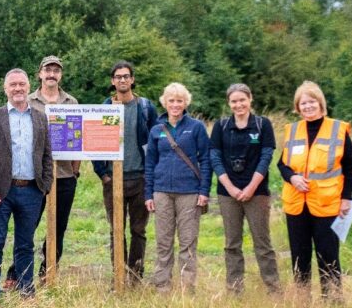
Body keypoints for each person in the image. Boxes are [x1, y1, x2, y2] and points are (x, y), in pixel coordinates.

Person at [0, 68, 53, 308]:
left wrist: (45, 186)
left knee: (25, 244)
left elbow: (47, 155)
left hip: (32, 190)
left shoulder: (40, 117)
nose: (18, 88)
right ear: (5, 88)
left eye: (22, 84)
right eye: (13, 85)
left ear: (29, 86)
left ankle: (26, 290)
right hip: (1, 192)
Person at [4, 56, 80, 289]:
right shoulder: (27, 100)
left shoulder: (72, 102)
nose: (51, 74)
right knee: (29, 225)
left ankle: (48, 271)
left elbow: (78, 140)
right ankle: (15, 273)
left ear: (60, 75)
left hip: (64, 175)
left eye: (56, 70)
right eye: (48, 70)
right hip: (34, 176)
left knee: (59, 227)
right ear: (39, 74)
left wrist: (75, 171)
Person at [278, 81, 352, 301]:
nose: (308, 106)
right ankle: (302, 299)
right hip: (296, 204)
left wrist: (346, 198)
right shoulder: (292, 130)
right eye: (303, 103)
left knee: (327, 253)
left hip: (327, 203)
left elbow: (350, 166)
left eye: (312, 102)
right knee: (299, 254)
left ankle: (332, 300)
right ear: (297, 107)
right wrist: (292, 177)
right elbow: (282, 164)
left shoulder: (338, 129)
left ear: (320, 103)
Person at [210, 83, 281, 295]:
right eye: (234, 101)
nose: (238, 104)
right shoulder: (221, 126)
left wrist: (251, 187)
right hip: (227, 193)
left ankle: (274, 289)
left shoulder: (262, 124)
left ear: (250, 99)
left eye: (242, 100)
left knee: (263, 243)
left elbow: (266, 156)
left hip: (257, 192)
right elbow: (215, 157)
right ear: (228, 103)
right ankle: (234, 290)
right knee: (232, 243)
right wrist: (230, 187)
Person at [92, 60, 158, 284]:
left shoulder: (145, 108)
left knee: (138, 230)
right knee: (116, 231)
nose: (122, 80)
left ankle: (135, 276)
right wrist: (103, 175)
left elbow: (155, 142)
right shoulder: (104, 109)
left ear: (132, 79)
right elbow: (94, 143)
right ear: (112, 81)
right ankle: (118, 276)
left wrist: (151, 175)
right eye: (118, 76)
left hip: (139, 178)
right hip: (113, 180)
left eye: (126, 76)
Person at [144, 82, 210, 293]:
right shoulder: (156, 130)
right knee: (163, 242)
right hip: (161, 191)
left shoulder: (196, 127)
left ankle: (186, 289)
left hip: (189, 192)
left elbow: (206, 160)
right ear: (165, 102)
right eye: (171, 100)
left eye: (179, 101)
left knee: (188, 242)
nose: (175, 104)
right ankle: (162, 287)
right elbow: (150, 162)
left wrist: (204, 191)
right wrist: (148, 193)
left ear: (185, 103)